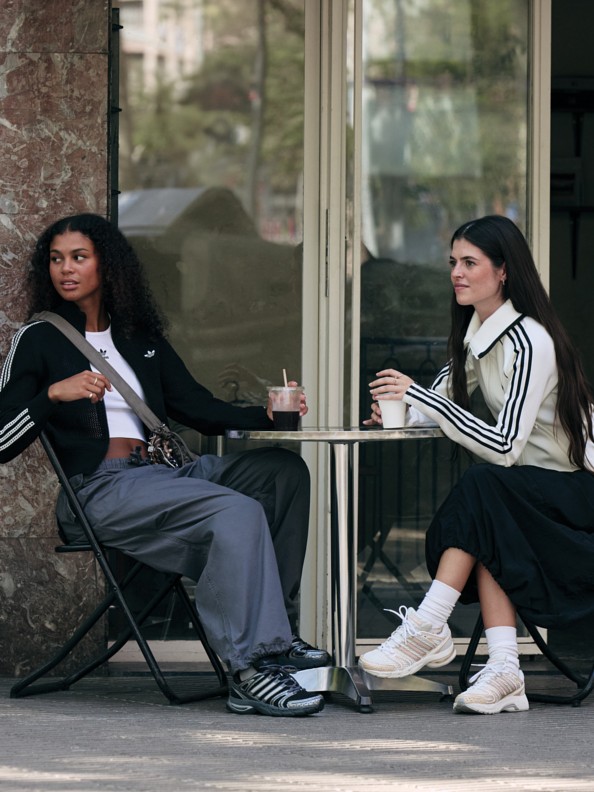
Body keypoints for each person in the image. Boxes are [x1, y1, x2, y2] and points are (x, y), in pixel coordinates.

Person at [0, 213, 330, 718]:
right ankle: (250, 669)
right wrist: (51, 394)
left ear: (107, 266)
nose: (65, 269)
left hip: (172, 475)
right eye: (56, 259)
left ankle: (275, 638)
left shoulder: (137, 336)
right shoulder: (39, 339)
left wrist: (262, 414)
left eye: (79, 257)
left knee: (283, 475)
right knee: (235, 511)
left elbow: (195, 407)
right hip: (103, 489)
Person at [359, 214, 594, 715]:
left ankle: (428, 625)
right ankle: (505, 668)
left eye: (470, 262)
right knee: (490, 501)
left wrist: (429, 402)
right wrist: (401, 410)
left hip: (578, 500)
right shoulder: (477, 331)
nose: (457, 273)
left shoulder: (530, 340)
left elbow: (507, 443)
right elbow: (440, 395)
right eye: (453, 263)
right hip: (534, 493)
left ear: (503, 271)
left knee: (488, 485)